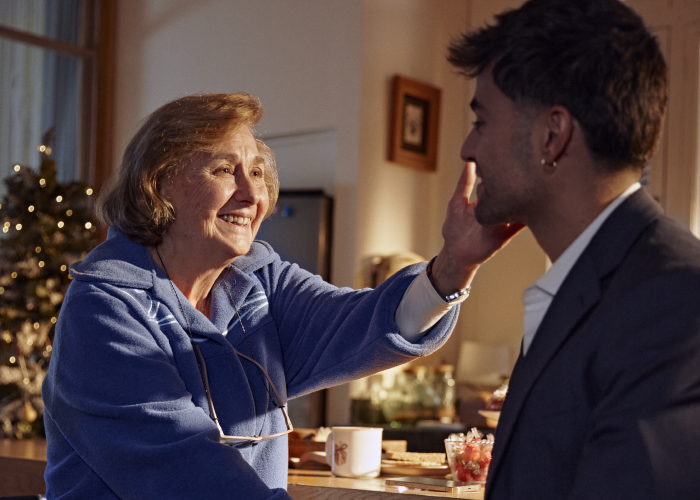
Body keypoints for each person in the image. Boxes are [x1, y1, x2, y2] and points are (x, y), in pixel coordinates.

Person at [41, 92, 521, 499]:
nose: (253, 194)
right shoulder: (104, 309)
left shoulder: (259, 283)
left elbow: (360, 323)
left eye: (256, 172)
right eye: (226, 170)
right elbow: (189, 469)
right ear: (161, 182)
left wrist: (453, 267)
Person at [447, 0, 700, 499]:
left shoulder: (673, 303)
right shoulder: (590, 284)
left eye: (482, 121)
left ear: (552, 134)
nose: (468, 149)